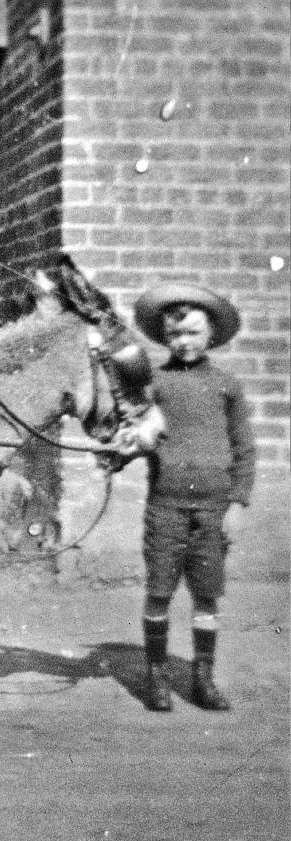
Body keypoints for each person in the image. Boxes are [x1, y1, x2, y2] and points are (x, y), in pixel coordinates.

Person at [132, 283, 255, 712]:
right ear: (165, 338)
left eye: (193, 334)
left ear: (211, 336)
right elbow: (136, 436)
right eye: (176, 335)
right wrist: (128, 447)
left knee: (206, 594)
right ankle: (157, 676)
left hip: (213, 508)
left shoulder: (227, 386)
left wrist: (237, 502)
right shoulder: (156, 384)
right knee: (160, 591)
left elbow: (244, 448)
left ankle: (203, 676)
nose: (184, 342)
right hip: (165, 506)